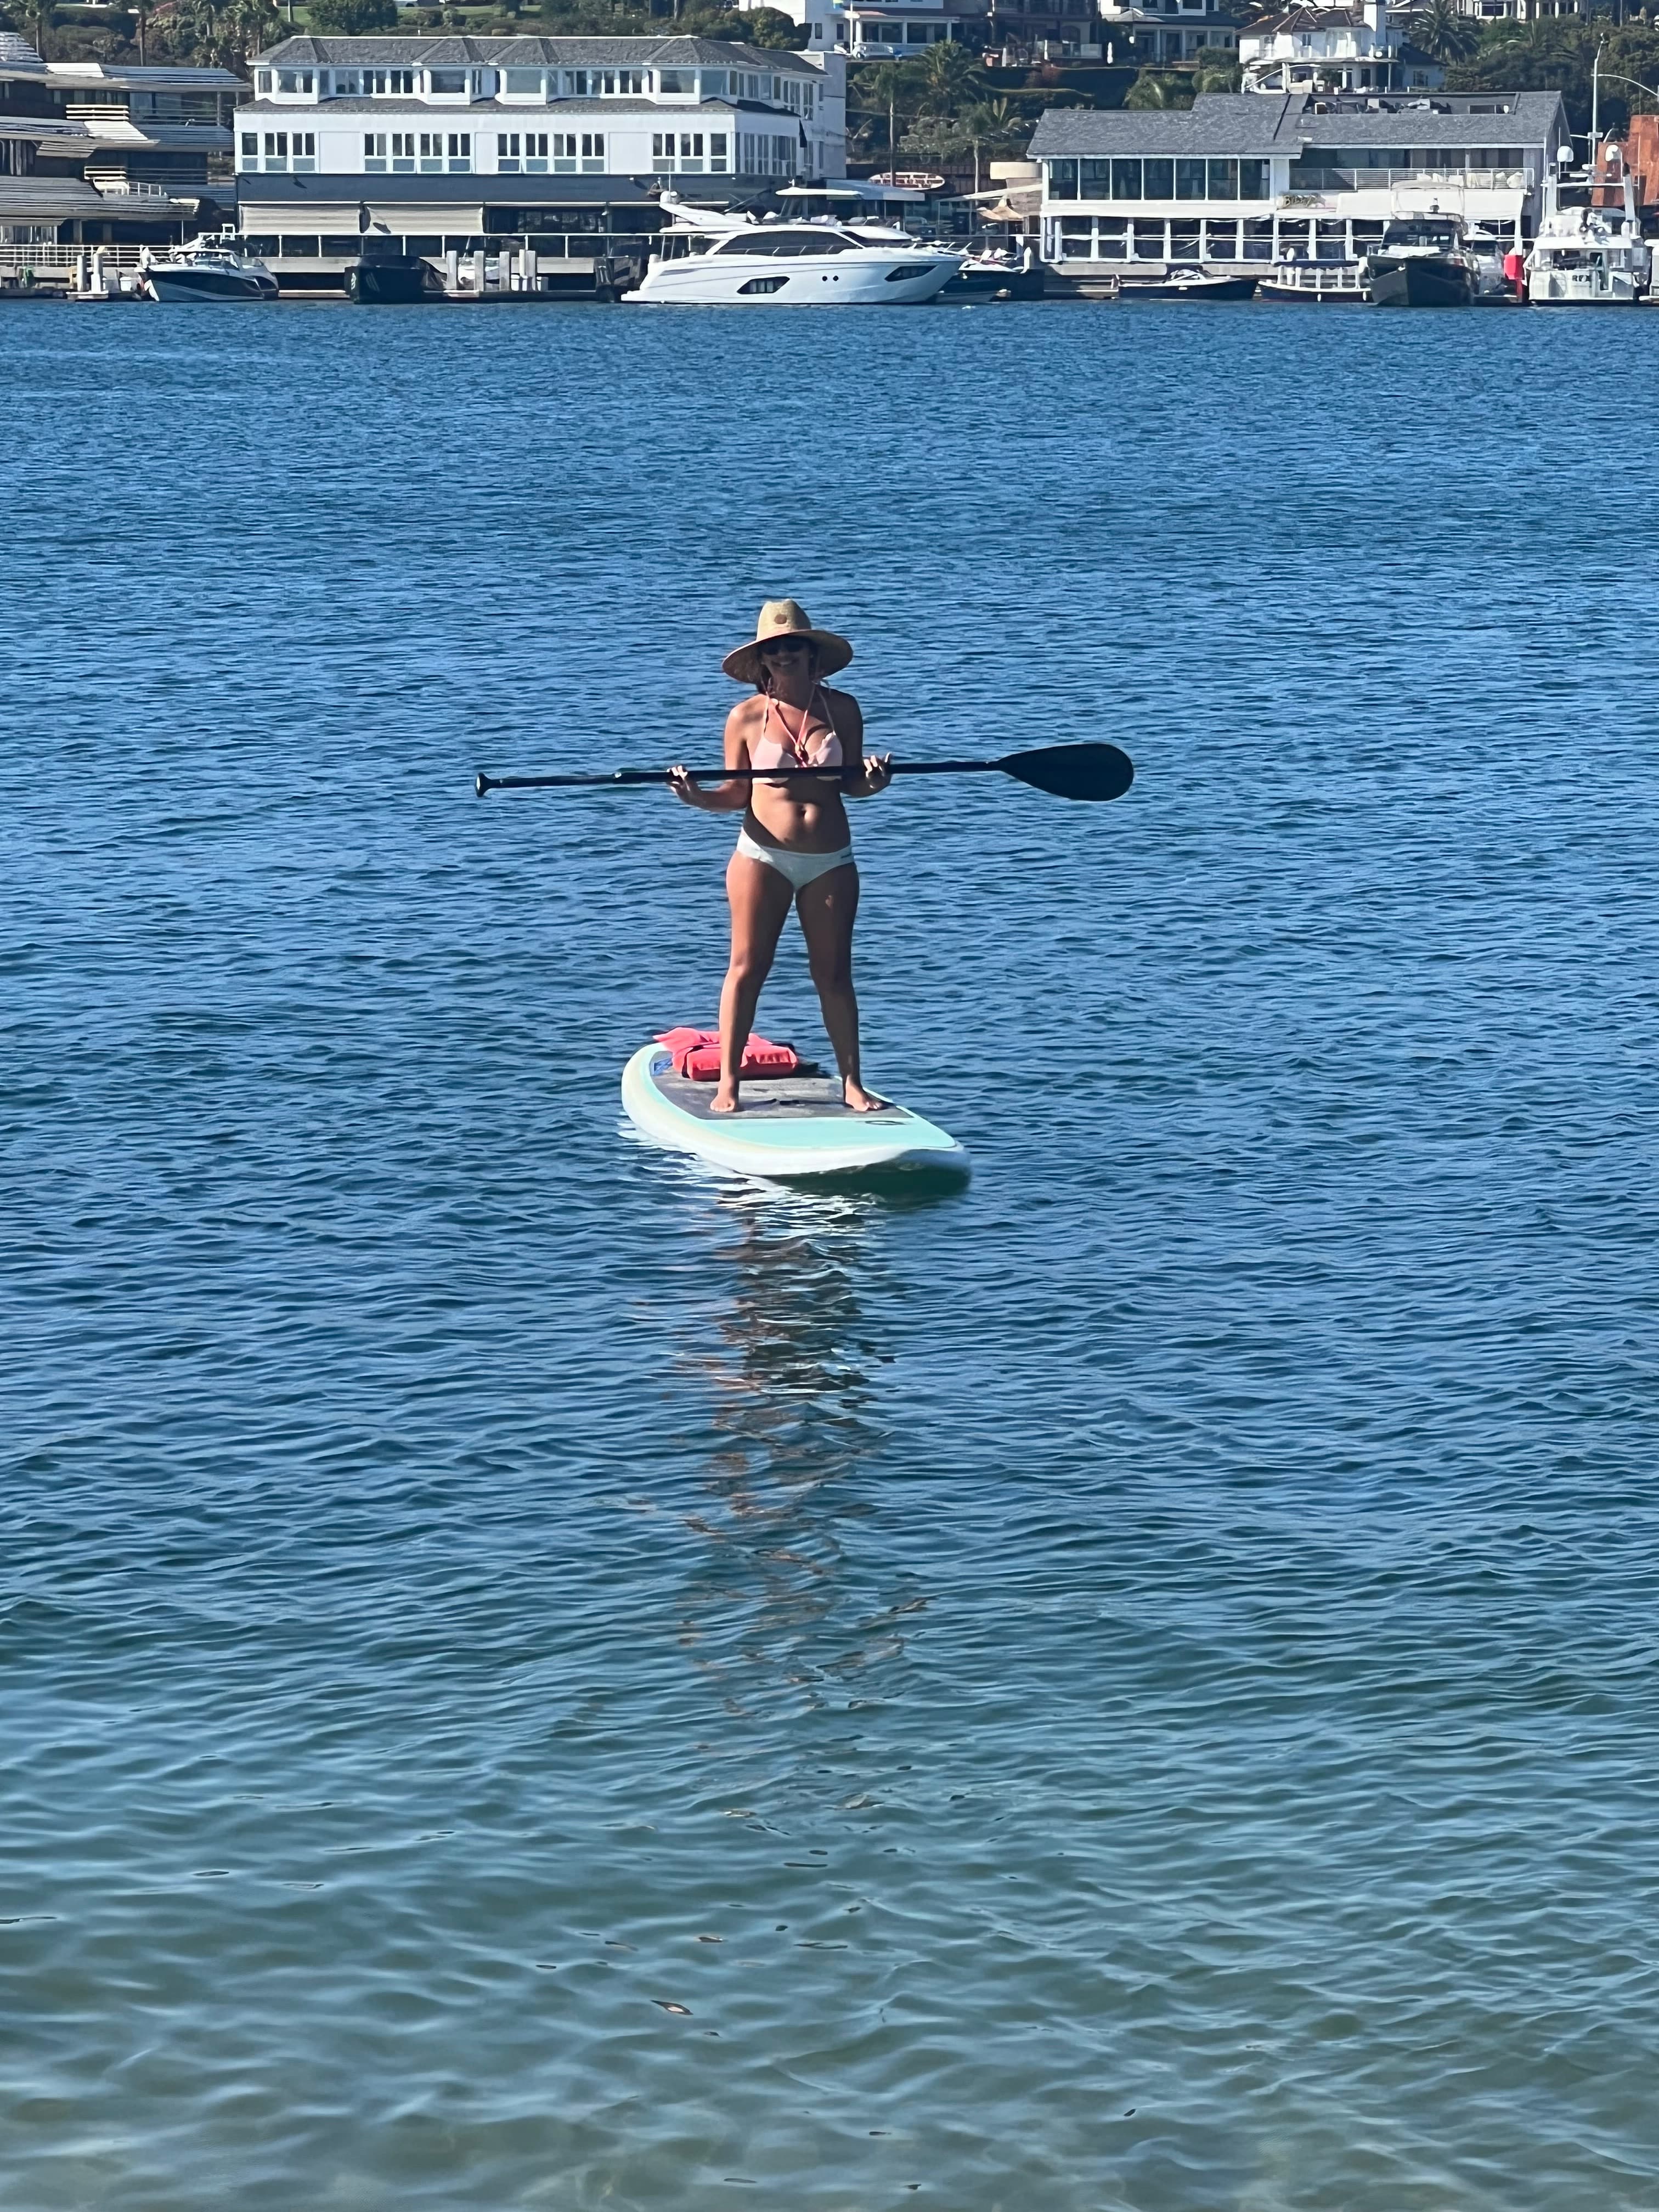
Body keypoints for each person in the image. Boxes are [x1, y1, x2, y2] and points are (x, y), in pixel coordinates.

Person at [669, 599, 893, 1116]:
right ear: (763, 662)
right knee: (748, 968)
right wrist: (695, 797)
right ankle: (729, 1084)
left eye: (795, 647)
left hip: (831, 859)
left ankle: (853, 1084)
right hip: (762, 856)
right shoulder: (746, 717)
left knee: (834, 973)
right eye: (775, 650)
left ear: (813, 656)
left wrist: (875, 784)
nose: (785, 655)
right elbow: (732, 794)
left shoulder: (844, 709)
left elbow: (852, 783)